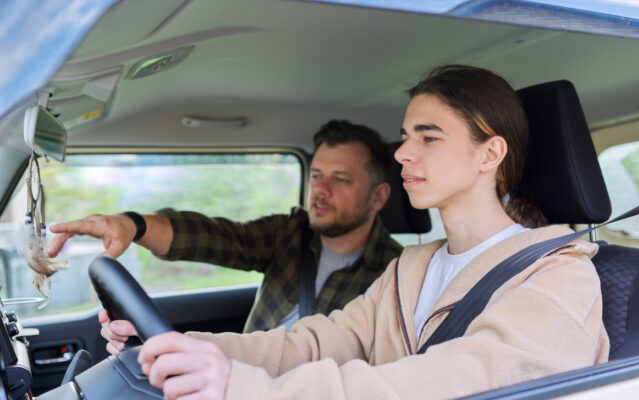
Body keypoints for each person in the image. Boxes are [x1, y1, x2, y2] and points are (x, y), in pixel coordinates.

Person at [101, 65, 610, 400]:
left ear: (490, 154)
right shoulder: (410, 267)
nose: (403, 154)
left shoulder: (558, 277)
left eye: (428, 138)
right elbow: (313, 344)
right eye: (406, 137)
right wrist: (179, 347)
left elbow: (453, 381)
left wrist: (247, 388)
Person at [48, 120, 403, 332]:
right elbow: (214, 237)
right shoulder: (290, 234)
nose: (320, 191)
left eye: (340, 179)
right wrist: (134, 225)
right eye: (316, 176)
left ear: (379, 197)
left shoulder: (399, 273)